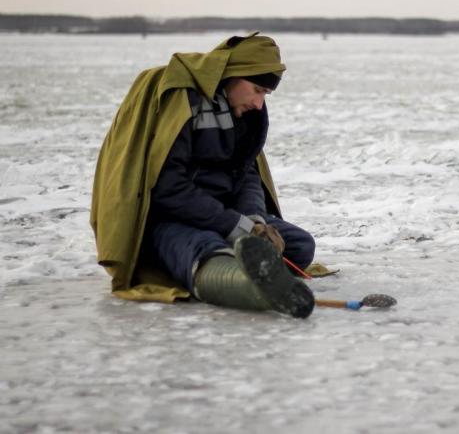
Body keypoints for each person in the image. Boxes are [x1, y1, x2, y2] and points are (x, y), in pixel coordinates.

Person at [90, 33, 315, 318]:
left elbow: (247, 176)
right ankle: (247, 286)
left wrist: (255, 223)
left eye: (265, 95)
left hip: (227, 217)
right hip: (172, 219)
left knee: (300, 245)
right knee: (206, 250)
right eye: (257, 89)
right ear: (235, 74)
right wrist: (236, 226)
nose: (259, 103)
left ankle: (248, 263)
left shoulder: (246, 114)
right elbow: (168, 189)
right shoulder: (184, 101)